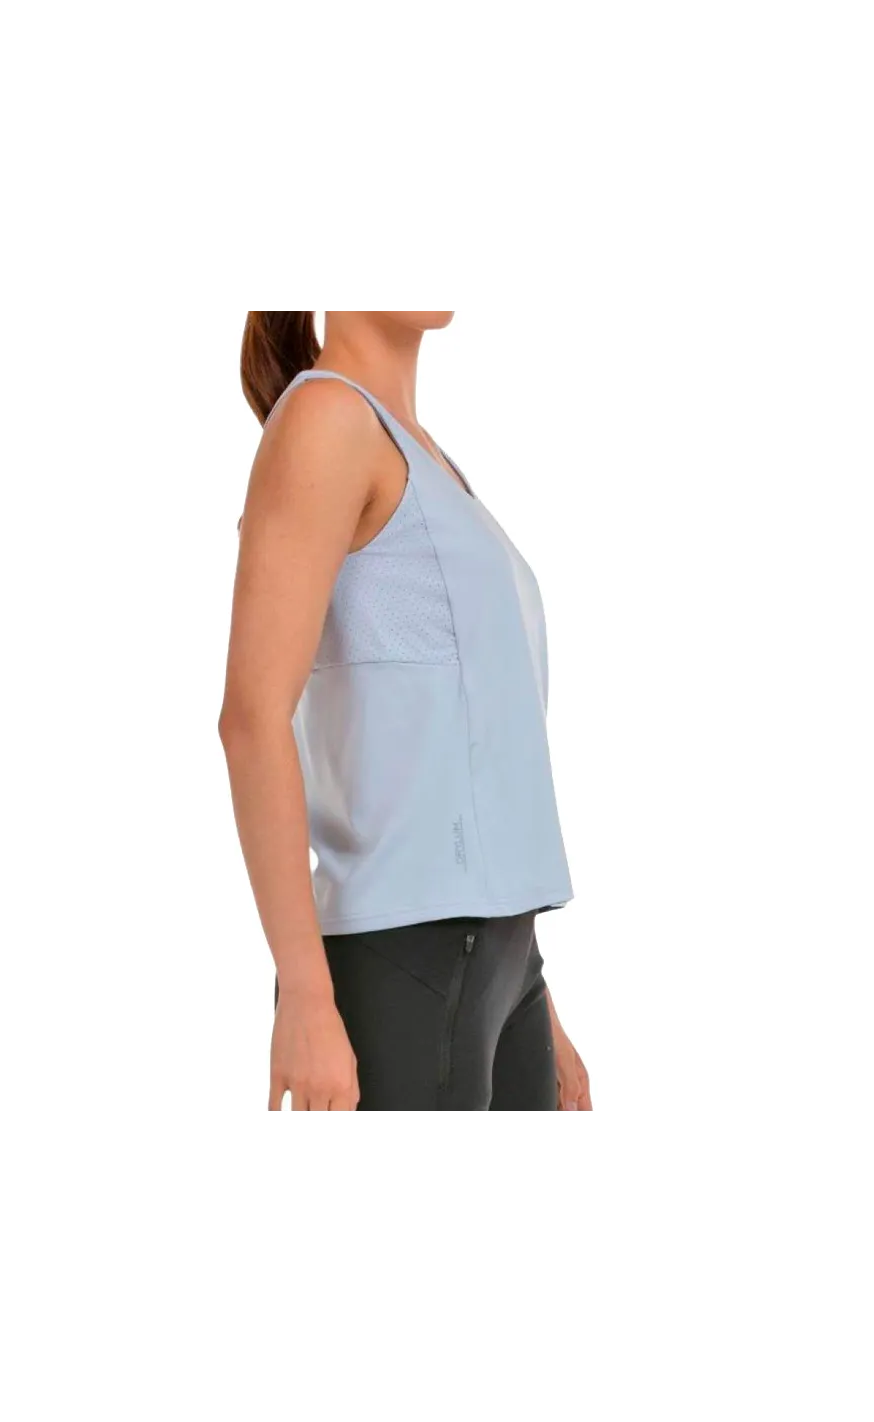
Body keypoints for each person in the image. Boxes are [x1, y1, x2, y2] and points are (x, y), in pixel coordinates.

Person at [219, 304, 592, 1112]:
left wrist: (538, 1002)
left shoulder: (426, 458)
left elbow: (468, 746)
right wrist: (305, 996)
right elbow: (251, 719)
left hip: (502, 964)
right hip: (400, 962)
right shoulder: (326, 419)